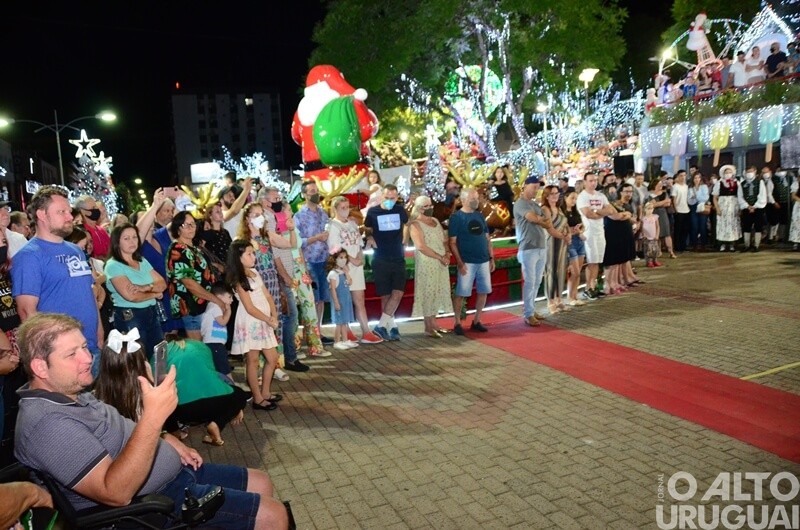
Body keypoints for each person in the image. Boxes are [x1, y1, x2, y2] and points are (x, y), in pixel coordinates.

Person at [14, 313, 289, 528]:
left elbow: (123, 431)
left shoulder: (71, 392)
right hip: (151, 504)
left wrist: (167, 439)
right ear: (40, 367)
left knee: (262, 481)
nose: (87, 358)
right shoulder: (47, 425)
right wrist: (154, 419)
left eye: (84, 347)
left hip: (173, 473)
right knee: (273, 516)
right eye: (72, 354)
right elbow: (115, 492)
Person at [11, 186, 102, 376]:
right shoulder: (29, 257)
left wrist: (99, 330)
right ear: (42, 215)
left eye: (69, 211)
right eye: (62, 212)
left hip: (90, 347)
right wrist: (45, 359)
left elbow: (88, 293)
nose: (69, 216)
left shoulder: (76, 250)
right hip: (61, 357)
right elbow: (27, 312)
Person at [258, 188, 318, 369]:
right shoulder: (267, 222)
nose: (279, 201)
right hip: (277, 277)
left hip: (284, 275)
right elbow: (276, 254)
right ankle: (286, 359)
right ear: (265, 202)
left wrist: (290, 228)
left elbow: (291, 245)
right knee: (289, 316)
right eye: (276, 198)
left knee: (288, 317)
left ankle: (286, 358)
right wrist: (285, 277)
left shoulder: (277, 219)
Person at [226, 240, 282, 411]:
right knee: (253, 360)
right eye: (249, 254)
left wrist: (273, 315)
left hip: (264, 321)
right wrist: (267, 318)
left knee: (272, 359)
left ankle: (265, 392)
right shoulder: (238, 279)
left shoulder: (254, 272)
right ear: (239, 258)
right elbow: (249, 308)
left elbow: (267, 295)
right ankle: (257, 398)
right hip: (251, 322)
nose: (253, 256)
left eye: (253, 252)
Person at [104, 223, 166, 359]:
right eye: (126, 238)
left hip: (151, 313)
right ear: (117, 242)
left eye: (134, 237)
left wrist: (145, 287)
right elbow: (131, 296)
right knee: (137, 358)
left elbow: (162, 283)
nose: (132, 241)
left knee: (158, 355)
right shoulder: (113, 265)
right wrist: (154, 293)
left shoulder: (141, 261)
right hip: (130, 315)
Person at [327, 196, 383, 344]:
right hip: (343, 267)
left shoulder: (352, 224)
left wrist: (359, 257)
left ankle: (366, 331)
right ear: (336, 209)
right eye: (342, 208)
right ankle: (347, 331)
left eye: (347, 207)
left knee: (359, 300)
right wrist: (350, 260)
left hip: (356, 267)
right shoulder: (333, 225)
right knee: (344, 300)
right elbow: (335, 248)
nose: (346, 210)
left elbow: (358, 243)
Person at [166, 210, 222, 340]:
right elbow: (190, 284)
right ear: (178, 228)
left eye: (193, 224)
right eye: (186, 225)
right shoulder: (178, 249)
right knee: (199, 349)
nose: (191, 228)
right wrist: (216, 300)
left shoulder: (193, 247)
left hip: (203, 305)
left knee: (208, 346)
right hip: (192, 307)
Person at [364, 184, 409, 341]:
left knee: (398, 292)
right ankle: (392, 327)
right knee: (386, 295)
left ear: (397, 198)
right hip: (380, 258)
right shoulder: (373, 211)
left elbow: (408, 223)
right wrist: (369, 237)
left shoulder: (400, 210)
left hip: (397, 256)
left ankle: (380, 326)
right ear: (381, 196)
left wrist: (406, 238)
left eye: (393, 198)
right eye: (387, 198)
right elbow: (367, 227)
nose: (390, 200)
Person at [449, 188, 494, 334]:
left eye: (476, 197)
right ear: (463, 200)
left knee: (483, 291)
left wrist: (491, 257)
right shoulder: (456, 217)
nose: (476, 200)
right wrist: (460, 263)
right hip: (467, 262)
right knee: (461, 293)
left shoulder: (479, 215)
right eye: (472, 198)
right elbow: (452, 242)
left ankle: (477, 320)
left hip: (483, 260)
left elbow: (487, 239)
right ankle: (457, 323)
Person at [408, 195, 453, 338]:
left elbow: (444, 240)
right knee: (428, 291)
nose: (429, 208)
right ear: (419, 208)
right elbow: (420, 246)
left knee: (438, 289)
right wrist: (439, 257)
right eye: (426, 206)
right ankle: (428, 326)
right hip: (427, 261)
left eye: (430, 205)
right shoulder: (415, 224)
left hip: (441, 260)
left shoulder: (435, 221)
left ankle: (434, 323)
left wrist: (446, 253)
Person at [294, 180, 333, 342]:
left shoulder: (323, 213)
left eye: (316, 190)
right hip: (308, 261)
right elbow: (297, 242)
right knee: (311, 298)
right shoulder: (298, 216)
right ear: (304, 195)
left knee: (322, 299)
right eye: (311, 191)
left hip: (324, 260)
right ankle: (309, 333)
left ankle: (318, 333)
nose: (315, 194)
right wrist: (316, 238)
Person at [576, 172, 613, 300]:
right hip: (589, 232)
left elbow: (610, 210)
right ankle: (588, 287)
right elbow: (588, 214)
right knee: (591, 261)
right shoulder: (582, 197)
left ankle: (593, 286)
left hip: (600, 231)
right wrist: (600, 212)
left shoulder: (601, 195)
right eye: (591, 180)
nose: (593, 183)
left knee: (597, 261)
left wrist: (596, 211)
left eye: (595, 180)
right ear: (585, 182)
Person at [540, 185, 570, 314]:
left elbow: (566, 225)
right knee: (551, 271)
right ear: (546, 196)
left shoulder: (559, 208)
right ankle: (550, 301)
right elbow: (550, 229)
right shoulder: (545, 209)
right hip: (551, 242)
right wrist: (564, 236)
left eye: (556, 193)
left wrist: (569, 234)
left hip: (562, 243)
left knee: (561, 270)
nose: (555, 196)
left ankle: (559, 299)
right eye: (552, 194)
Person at [200, 281, 234, 380]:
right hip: (214, 344)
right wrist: (229, 311)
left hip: (215, 344)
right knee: (225, 370)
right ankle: (233, 390)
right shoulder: (214, 306)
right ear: (219, 296)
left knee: (219, 370)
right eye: (229, 297)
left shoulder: (214, 306)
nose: (231, 300)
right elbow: (222, 322)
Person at [326, 248, 357, 351]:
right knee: (339, 322)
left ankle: (345, 339)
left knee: (344, 321)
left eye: (345, 257)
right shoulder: (333, 274)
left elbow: (350, 282)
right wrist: (336, 302)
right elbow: (333, 290)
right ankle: (337, 341)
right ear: (334, 259)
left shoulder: (342, 272)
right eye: (341, 257)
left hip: (345, 300)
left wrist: (347, 273)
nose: (343, 260)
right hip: (338, 301)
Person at [561, 189, 587, 307]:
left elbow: (582, 225)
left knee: (578, 271)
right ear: (565, 198)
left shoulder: (576, 212)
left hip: (579, 241)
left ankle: (574, 295)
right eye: (572, 198)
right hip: (569, 242)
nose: (574, 201)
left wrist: (580, 230)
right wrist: (572, 231)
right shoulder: (562, 213)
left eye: (575, 198)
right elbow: (562, 229)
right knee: (575, 272)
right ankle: (570, 296)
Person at [738, 166, 767, 252]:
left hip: (758, 208)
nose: (749, 173)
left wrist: (755, 206)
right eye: (748, 172)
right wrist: (747, 206)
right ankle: (747, 245)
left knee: (758, 226)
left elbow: (762, 195)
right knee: (746, 226)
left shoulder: (760, 182)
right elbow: (740, 196)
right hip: (746, 208)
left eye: (751, 171)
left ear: (755, 171)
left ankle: (756, 245)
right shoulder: (742, 184)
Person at [713, 165, 742, 252]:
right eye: (726, 172)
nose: (728, 174)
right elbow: (715, 197)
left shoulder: (737, 183)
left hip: (734, 205)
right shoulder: (719, 183)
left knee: (733, 224)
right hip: (723, 205)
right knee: (723, 225)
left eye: (730, 172)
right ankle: (723, 244)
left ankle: (732, 244)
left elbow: (740, 196)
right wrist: (717, 208)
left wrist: (740, 209)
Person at [199, 202, 232, 276]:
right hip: (216, 271)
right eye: (217, 212)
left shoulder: (225, 232)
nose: (221, 213)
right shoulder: (207, 233)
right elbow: (201, 250)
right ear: (210, 216)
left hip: (228, 268)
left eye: (221, 211)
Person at [650, 179, 676, 259]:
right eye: (659, 184)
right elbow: (651, 205)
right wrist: (663, 202)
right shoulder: (650, 194)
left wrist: (658, 204)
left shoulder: (664, 193)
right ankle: (658, 251)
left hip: (663, 214)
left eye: (661, 184)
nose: (661, 185)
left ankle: (671, 251)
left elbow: (668, 203)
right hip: (653, 214)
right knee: (656, 234)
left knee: (667, 233)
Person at [688, 172, 710, 250]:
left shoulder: (704, 187)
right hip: (693, 208)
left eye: (698, 178)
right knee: (694, 226)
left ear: (701, 179)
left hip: (702, 207)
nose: (697, 179)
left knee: (702, 226)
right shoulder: (690, 188)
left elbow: (705, 198)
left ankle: (703, 244)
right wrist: (693, 198)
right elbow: (689, 201)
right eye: (695, 178)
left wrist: (696, 196)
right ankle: (694, 244)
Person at [671, 170, 690, 253]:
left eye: (684, 175)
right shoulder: (675, 187)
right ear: (678, 177)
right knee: (678, 230)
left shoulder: (686, 186)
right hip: (679, 210)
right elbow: (674, 199)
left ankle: (684, 246)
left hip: (687, 210)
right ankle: (677, 247)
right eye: (681, 175)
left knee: (685, 229)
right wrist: (676, 210)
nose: (683, 177)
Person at [641, 201, 662, 267]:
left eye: (652, 208)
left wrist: (657, 235)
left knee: (655, 249)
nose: (650, 210)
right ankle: (649, 261)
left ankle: (655, 260)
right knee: (648, 250)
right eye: (649, 208)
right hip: (647, 237)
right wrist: (643, 235)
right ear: (645, 209)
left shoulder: (655, 217)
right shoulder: (643, 218)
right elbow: (641, 228)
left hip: (654, 236)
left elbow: (657, 226)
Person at [790, 172, 800, 251]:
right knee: (797, 224)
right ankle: (796, 243)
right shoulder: (796, 183)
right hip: (798, 206)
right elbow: (793, 196)